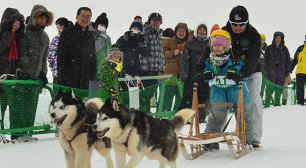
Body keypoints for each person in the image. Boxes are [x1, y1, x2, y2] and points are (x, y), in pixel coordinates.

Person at [201, 30, 250, 151]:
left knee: (241, 116)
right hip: (218, 91)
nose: (217, 48)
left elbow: (241, 66)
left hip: (235, 90)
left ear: (226, 46)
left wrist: (235, 71)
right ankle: (211, 140)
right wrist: (206, 73)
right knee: (216, 116)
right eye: (214, 45)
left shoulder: (234, 58)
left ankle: (245, 139)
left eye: (220, 45)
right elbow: (206, 69)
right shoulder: (210, 60)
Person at [222, 6, 263, 149]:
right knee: (233, 103)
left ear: (247, 22)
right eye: (234, 24)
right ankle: (239, 133)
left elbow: (253, 58)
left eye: (241, 24)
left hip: (251, 73)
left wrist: (243, 73)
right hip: (230, 72)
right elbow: (212, 50)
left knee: (251, 101)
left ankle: (254, 137)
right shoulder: (223, 32)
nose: (237, 27)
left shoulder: (254, 35)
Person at [18, 4, 53, 141]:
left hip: (35, 79)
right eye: (40, 17)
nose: (42, 21)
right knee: (18, 107)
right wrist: (19, 70)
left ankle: (28, 133)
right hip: (22, 77)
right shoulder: (24, 32)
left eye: (45, 18)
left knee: (30, 108)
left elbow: (44, 58)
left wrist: (43, 73)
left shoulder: (45, 37)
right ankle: (17, 134)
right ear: (34, 17)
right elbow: (19, 53)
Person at [0, 7, 26, 140]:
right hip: (1, 77)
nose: (16, 25)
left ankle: (14, 134)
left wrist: (20, 36)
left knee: (10, 106)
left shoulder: (16, 38)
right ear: (7, 22)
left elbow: (20, 57)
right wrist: (8, 33)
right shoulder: (3, 34)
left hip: (11, 77)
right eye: (14, 22)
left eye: (19, 23)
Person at [57, 7, 96, 93]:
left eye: (88, 17)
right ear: (76, 17)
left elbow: (93, 57)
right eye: (83, 16)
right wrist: (62, 76)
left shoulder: (90, 36)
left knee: (79, 105)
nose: (85, 19)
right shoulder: (67, 33)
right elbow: (61, 55)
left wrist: (92, 74)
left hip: (83, 81)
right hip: (68, 80)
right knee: (67, 105)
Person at [179, 21, 210, 123]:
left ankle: (201, 117)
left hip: (205, 75)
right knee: (188, 97)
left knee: (204, 97)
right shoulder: (190, 42)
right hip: (191, 75)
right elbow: (184, 59)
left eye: (204, 29)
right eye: (200, 29)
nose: (202, 31)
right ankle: (183, 118)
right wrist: (184, 75)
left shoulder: (209, 42)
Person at [116, 16, 148, 107]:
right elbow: (116, 49)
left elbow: (145, 54)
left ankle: (132, 113)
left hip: (134, 73)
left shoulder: (140, 41)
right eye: (134, 28)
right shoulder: (123, 38)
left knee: (133, 99)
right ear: (130, 28)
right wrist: (125, 39)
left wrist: (144, 43)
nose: (136, 30)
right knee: (122, 97)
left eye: (138, 29)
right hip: (122, 71)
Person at [139, 12, 165, 113]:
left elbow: (160, 52)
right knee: (144, 94)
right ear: (150, 21)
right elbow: (142, 50)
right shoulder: (145, 31)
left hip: (155, 69)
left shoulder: (158, 34)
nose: (156, 22)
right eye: (154, 20)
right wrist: (143, 67)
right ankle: (143, 113)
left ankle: (146, 113)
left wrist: (162, 67)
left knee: (150, 93)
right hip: (145, 70)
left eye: (158, 21)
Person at [161, 23, 189, 113]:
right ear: (176, 32)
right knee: (167, 98)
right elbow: (162, 54)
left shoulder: (188, 42)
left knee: (180, 98)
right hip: (170, 75)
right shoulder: (170, 41)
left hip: (183, 76)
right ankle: (164, 115)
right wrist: (173, 53)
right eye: (179, 31)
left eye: (183, 31)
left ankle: (178, 115)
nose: (181, 33)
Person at [264, 31, 290, 107]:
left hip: (281, 72)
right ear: (274, 38)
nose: (278, 39)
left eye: (279, 38)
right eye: (277, 38)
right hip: (271, 72)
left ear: (282, 39)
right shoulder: (269, 48)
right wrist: (266, 70)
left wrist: (287, 71)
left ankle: (277, 103)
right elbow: (266, 60)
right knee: (269, 88)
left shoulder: (284, 49)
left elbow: (287, 61)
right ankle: (267, 103)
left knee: (279, 89)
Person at [88, 12, 111, 96]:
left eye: (105, 26)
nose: (103, 27)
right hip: (92, 74)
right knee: (91, 102)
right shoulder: (89, 34)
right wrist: (101, 39)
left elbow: (109, 54)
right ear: (96, 24)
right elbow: (92, 50)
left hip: (103, 75)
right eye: (101, 25)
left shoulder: (107, 38)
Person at [48, 17, 74, 84]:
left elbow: (51, 54)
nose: (56, 27)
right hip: (71, 73)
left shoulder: (57, 38)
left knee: (57, 93)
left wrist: (51, 65)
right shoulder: (73, 38)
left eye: (57, 25)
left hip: (58, 71)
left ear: (62, 26)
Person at [290, 35, 306, 106]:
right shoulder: (300, 48)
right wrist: (291, 68)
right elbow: (295, 59)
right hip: (299, 72)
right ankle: (300, 102)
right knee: (299, 88)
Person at [260, 33, 268, 98]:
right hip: (257, 69)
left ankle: (261, 98)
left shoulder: (267, 48)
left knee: (263, 85)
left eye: (263, 39)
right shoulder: (255, 47)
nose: (262, 40)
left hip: (264, 70)